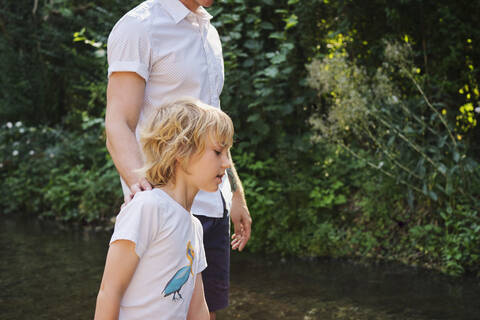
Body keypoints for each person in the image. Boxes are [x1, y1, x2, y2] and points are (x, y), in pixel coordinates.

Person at [105, 0, 252, 317]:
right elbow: (118, 123)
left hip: (213, 204)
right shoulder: (139, 27)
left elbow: (212, 131)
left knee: (205, 311)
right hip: (163, 210)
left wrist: (234, 192)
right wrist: (148, 196)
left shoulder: (207, 31)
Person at [95, 98, 234, 320]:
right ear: (181, 151)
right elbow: (110, 291)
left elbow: (198, 308)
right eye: (218, 152)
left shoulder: (194, 227)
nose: (227, 163)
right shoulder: (147, 207)